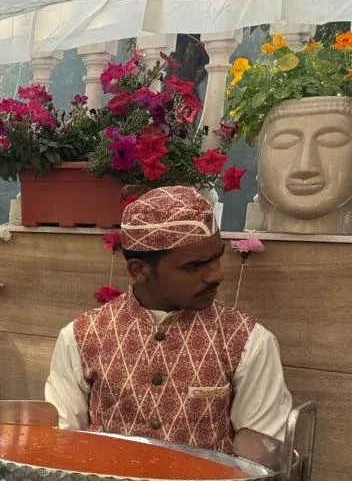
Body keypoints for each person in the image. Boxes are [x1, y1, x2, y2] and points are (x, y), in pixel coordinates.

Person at [45, 185, 292, 454]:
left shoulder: (248, 341)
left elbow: (259, 457)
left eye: (216, 259)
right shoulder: (81, 337)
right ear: (139, 270)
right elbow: (63, 440)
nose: (216, 276)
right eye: (193, 266)